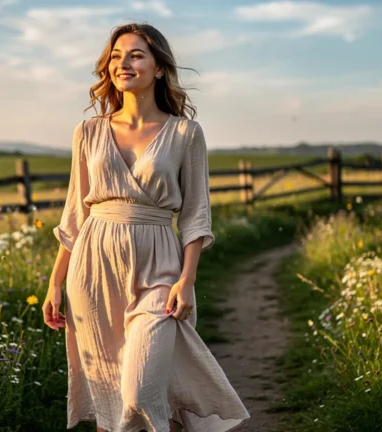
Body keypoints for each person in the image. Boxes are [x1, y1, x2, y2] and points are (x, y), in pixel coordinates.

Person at [43, 22, 250, 432]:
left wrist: (187, 278)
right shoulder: (88, 132)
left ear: (158, 68)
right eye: (117, 56)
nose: (124, 63)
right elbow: (75, 213)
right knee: (110, 400)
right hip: (93, 268)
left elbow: (195, 214)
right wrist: (55, 282)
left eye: (136, 55)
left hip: (159, 265)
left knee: (140, 390)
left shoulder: (185, 133)